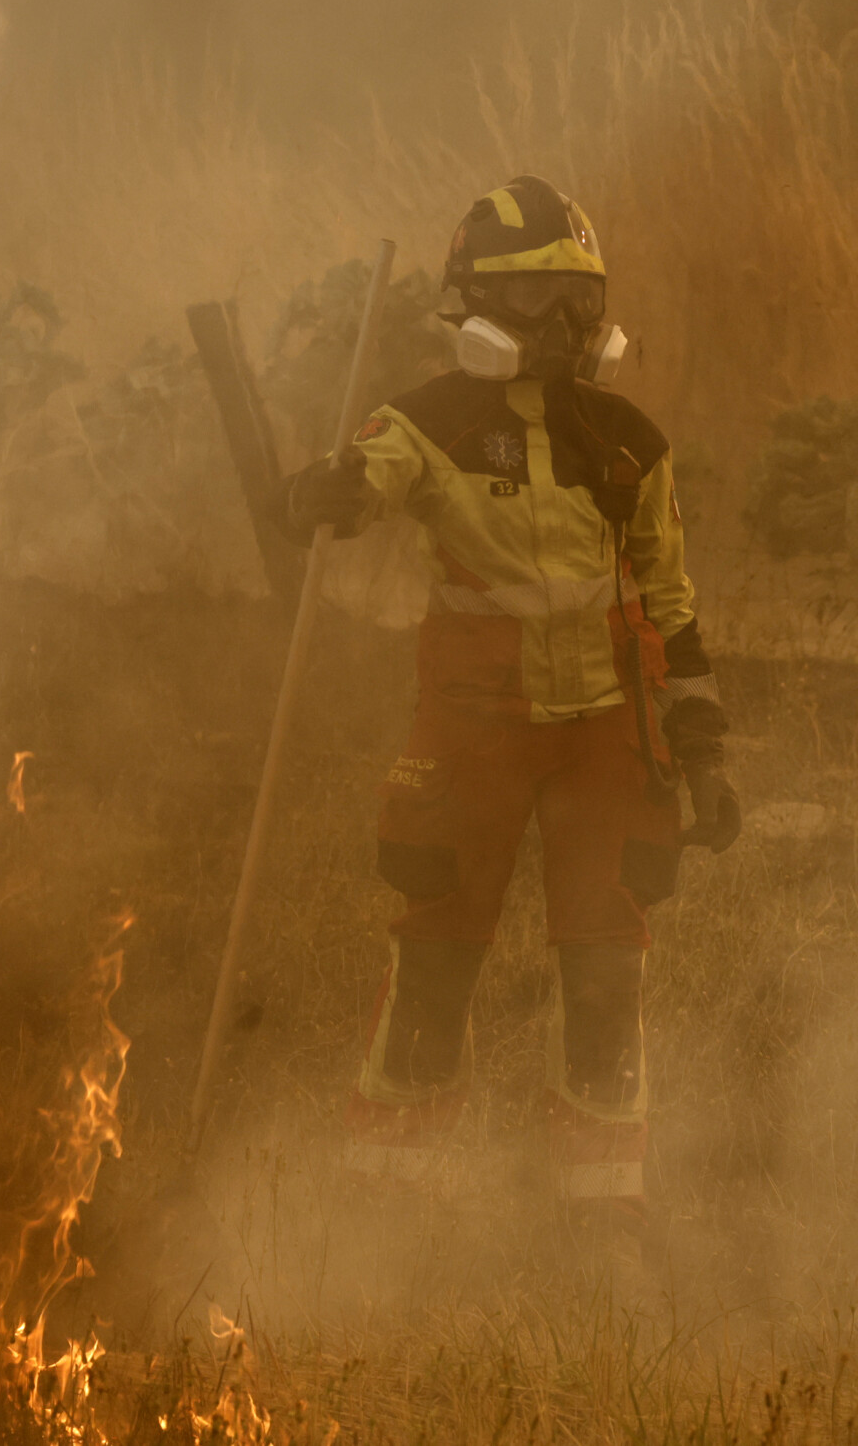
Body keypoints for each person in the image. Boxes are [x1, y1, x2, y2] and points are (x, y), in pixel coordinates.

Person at [279, 174, 742, 1276]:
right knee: (437, 954)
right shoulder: (425, 422)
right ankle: (388, 1208)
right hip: (472, 731)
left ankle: (601, 1220)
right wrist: (333, 492)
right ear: (476, 306)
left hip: (607, 739)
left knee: (605, 968)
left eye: (580, 299)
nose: (569, 327)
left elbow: (670, 604)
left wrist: (705, 748)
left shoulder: (628, 438)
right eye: (540, 302)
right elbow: (372, 477)